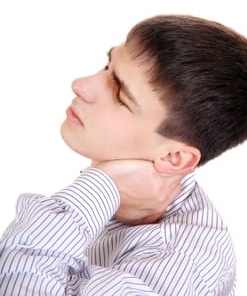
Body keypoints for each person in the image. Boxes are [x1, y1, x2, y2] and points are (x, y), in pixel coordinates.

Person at [0, 15, 246, 296]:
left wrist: (99, 186)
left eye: (120, 95)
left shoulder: (177, 265)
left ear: (174, 157)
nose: (80, 84)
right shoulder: (133, 195)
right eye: (107, 65)